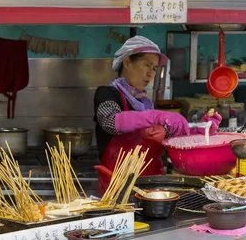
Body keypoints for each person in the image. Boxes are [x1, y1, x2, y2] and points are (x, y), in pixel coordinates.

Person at [94, 36, 221, 189]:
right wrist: (156, 116)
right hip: (116, 189)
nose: (150, 74)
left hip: (151, 187)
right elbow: (111, 122)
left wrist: (198, 129)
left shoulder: (144, 103)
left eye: (154, 68)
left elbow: (167, 136)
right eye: (147, 65)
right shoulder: (107, 94)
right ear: (127, 62)